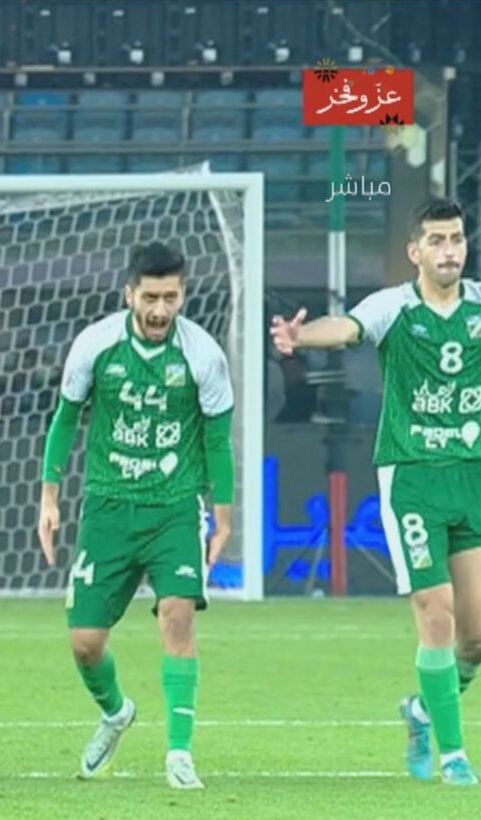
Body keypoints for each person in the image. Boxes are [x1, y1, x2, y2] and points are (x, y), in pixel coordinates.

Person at [270, 198, 479, 786]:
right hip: (412, 476)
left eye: (456, 239)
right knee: (434, 611)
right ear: (415, 251)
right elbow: (346, 328)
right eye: (436, 240)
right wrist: (301, 337)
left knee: (474, 638)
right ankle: (454, 757)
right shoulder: (394, 306)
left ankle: (421, 711)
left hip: (471, 475)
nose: (449, 250)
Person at [38, 241, 234, 790]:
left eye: (170, 298)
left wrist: (223, 518)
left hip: (175, 507)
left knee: (178, 615)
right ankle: (116, 712)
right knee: (85, 642)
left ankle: (179, 753)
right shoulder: (95, 345)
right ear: (129, 294)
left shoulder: (203, 355)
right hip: (107, 507)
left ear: (183, 295)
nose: (160, 310)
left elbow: (217, 441)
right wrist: (49, 498)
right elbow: (65, 420)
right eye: (150, 297)